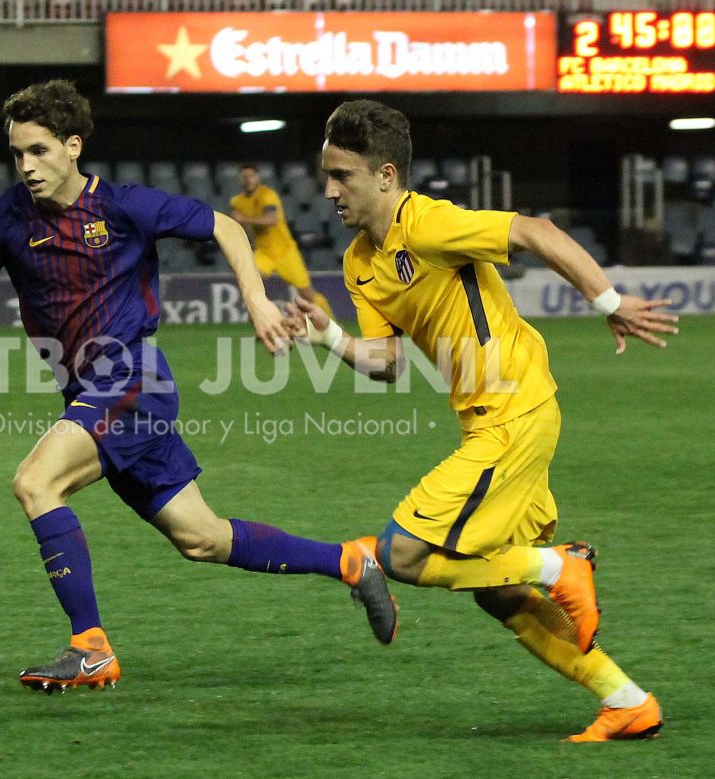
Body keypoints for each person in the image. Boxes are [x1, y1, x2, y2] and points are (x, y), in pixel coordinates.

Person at [0, 81, 398, 693]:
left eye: (40, 151)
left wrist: (257, 302)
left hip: (130, 379)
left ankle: (91, 647)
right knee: (201, 538)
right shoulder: (7, 217)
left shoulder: (126, 207)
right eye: (18, 154)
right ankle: (351, 559)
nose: (26, 166)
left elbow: (229, 229)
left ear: (73, 147)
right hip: (94, 392)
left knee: (35, 481)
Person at [286, 99, 679, 742]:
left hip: (513, 413)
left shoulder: (430, 224)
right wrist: (328, 337)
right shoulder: (361, 263)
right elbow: (386, 363)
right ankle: (626, 699)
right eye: (326, 175)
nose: (328, 190)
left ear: (386, 176)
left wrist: (608, 300)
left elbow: (538, 232)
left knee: (401, 553)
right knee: (497, 591)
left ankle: (559, 566)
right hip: (493, 421)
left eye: (342, 176)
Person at [230, 162, 334, 318]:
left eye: (251, 176)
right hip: (264, 253)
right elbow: (242, 227)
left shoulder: (267, 195)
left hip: (285, 251)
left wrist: (244, 219)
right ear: (240, 180)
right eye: (244, 177)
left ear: (258, 177)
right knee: (249, 281)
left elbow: (271, 220)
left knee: (306, 293)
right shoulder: (237, 202)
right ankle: (262, 321)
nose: (248, 179)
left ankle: (330, 321)